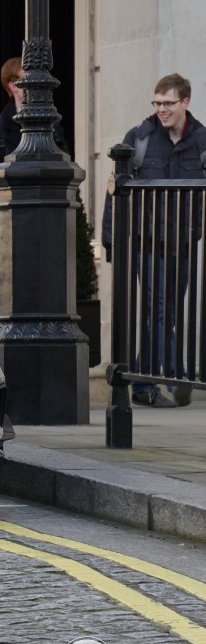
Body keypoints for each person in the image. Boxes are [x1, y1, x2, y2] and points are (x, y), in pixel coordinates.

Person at [101, 73, 206, 408]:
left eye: (168, 103)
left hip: (185, 243)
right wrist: (110, 239)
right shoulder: (140, 137)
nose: (162, 109)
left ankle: (146, 384)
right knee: (158, 310)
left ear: (185, 102)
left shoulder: (202, 141)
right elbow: (114, 189)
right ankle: (178, 374)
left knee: (166, 315)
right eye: (157, 103)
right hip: (147, 244)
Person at [0, 56, 67, 301]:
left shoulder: (54, 126)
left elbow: (65, 174)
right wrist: (1, 224)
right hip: (8, 240)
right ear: (12, 85)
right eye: (29, 81)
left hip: (49, 234)